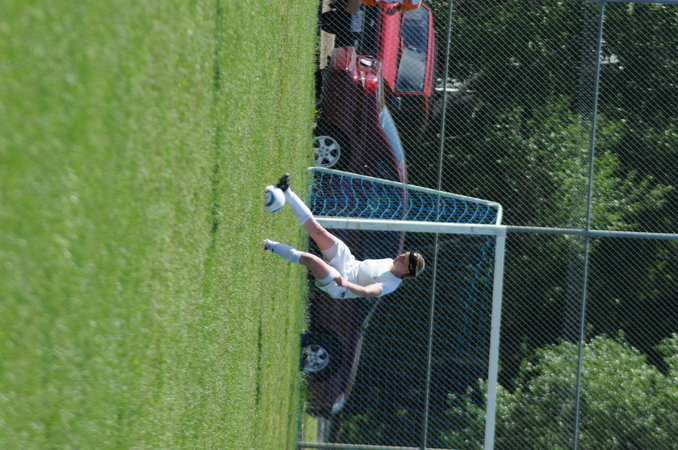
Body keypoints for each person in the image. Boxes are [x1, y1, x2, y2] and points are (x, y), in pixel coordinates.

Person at [263, 174, 425, 299]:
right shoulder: (390, 261)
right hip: (348, 261)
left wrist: (345, 283)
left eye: (405, 259)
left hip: (341, 285)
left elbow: (366, 292)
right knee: (318, 231)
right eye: (405, 253)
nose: (402, 255)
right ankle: (287, 191)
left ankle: (268, 245)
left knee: (311, 260)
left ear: (407, 271)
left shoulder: (391, 284)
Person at [345, 0, 422, 16]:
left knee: (352, 9)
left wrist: (394, 10)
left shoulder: (415, 4)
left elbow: (400, 7)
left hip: (372, 0)